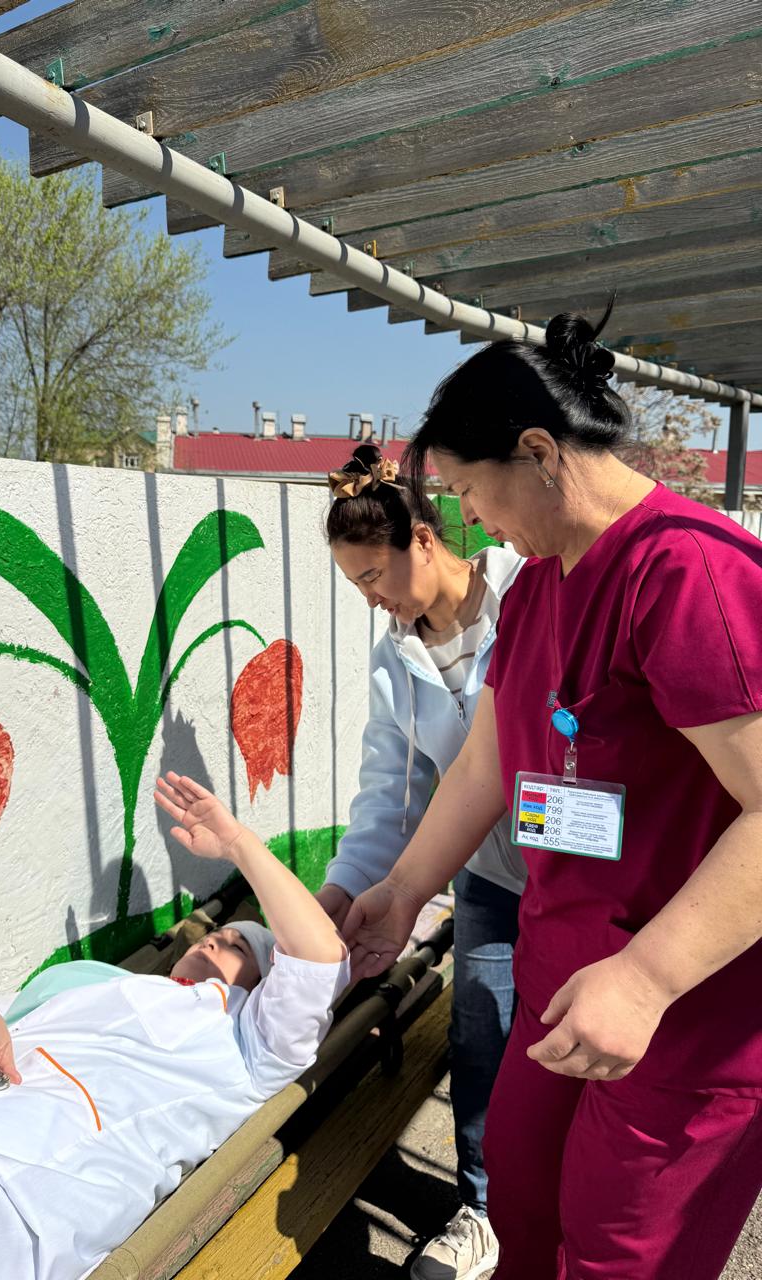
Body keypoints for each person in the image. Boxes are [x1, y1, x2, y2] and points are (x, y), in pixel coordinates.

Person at [344, 311, 762, 1280]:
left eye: (468, 490)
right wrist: (402, 891)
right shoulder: (536, 588)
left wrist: (648, 976)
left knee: (622, 1254)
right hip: (562, 980)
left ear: (537, 453)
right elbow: (484, 768)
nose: (472, 521)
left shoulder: (691, 572)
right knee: (524, 1207)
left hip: (681, 1015)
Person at [0, 773, 348, 1280]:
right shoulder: (88, 982)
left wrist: (236, 845)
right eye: (215, 934)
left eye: (237, 947)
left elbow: (318, 956)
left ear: (263, 989)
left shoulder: (248, 1049)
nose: (214, 940)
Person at [318, 442, 526, 1280]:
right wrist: (341, 891)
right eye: (357, 585)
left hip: (582, 875)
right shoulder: (393, 660)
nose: (372, 600)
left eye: (374, 575)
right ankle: (483, 1209)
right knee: (484, 1036)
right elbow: (390, 797)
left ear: (426, 540)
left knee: (570, 1039)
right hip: (488, 878)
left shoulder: (526, 596)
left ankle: (560, 1203)